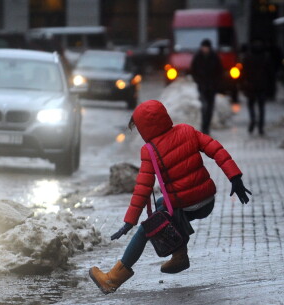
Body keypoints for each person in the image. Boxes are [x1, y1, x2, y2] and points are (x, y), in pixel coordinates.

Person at [89, 99, 252, 294]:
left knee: (146, 228)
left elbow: (143, 188)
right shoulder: (187, 130)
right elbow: (216, 150)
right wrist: (235, 178)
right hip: (207, 201)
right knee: (161, 204)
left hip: (185, 205)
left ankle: (113, 279)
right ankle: (180, 256)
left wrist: (129, 222)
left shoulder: (149, 150)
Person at [190, 39, 224, 134]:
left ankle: (207, 126)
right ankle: (204, 126)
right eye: (203, 47)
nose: (205, 49)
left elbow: (219, 71)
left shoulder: (214, 57)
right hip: (202, 86)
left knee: (210, 107)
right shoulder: (198, 57)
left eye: (206, 47)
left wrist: (216, 83)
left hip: (212, 87)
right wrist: (198, 81)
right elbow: (193, 70)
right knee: (204, 107)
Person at [241, 40, 273, 135]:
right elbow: (270, 73)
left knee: (251, 105)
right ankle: (260, 127)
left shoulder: (247, 57)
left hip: (250, 86)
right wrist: (270, 87)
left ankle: (253, 120)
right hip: (262, 86)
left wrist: (243, 84)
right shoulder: (266, 57)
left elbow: (243, 73)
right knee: (261, 107)